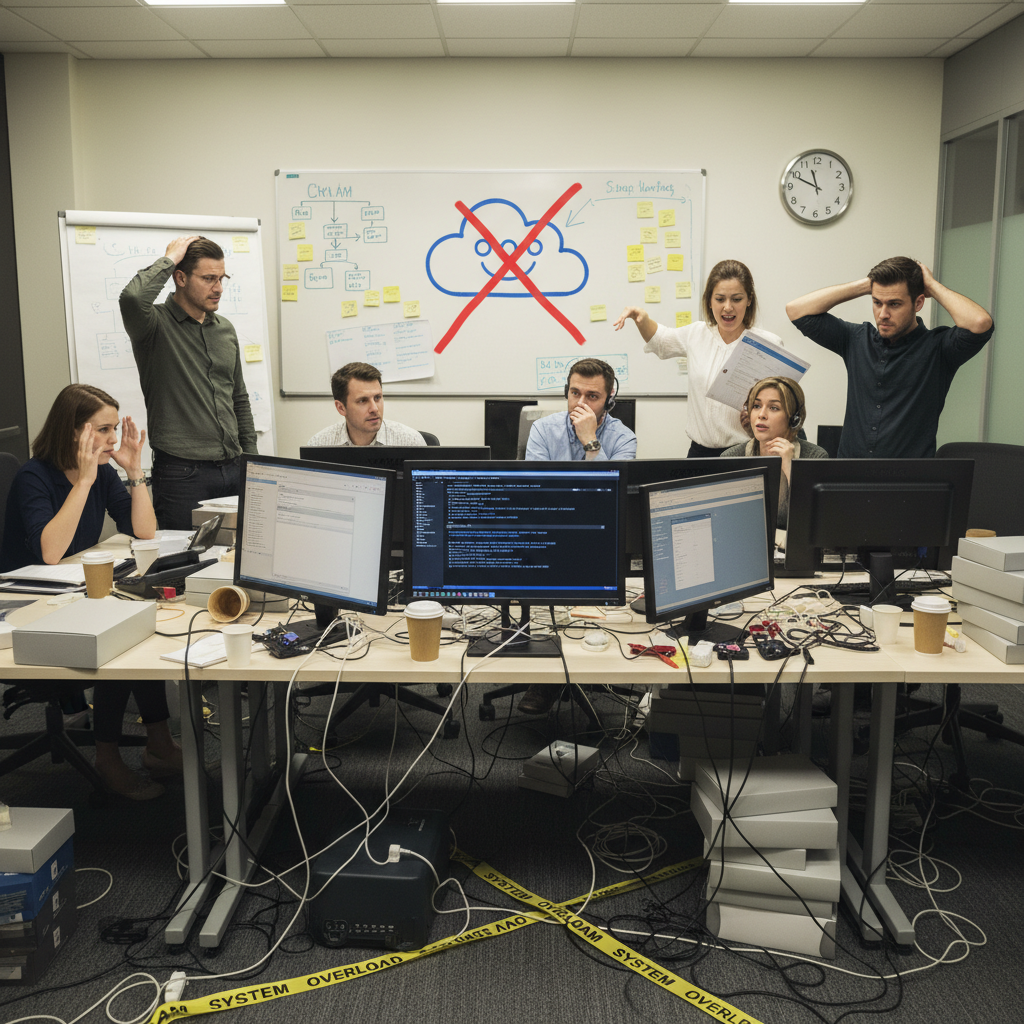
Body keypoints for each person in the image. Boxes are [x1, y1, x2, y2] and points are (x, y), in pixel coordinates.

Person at [0, 384, 180, 800]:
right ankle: (108, 759)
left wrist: (134, 472)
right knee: (115, 644)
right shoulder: (34, 477)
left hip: (67, 595)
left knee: (139, 627)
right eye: (103, 430)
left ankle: (159, 745)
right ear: (73, 431)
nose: (113, 439)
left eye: (114, 428)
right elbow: (51, 552)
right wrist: (83, 482)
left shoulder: (103, 472)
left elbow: (144, 531)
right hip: (24, 605)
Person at [785, 257, 994, 458]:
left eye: (894, 304)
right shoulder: (856, 339)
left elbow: (980, 322)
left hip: (910, 477)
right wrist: (866, 285)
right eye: (877, 302)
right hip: (849, 473)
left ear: (918, 303)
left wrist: (932, 285)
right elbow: (796, 310)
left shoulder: (938, 348)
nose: (883, 314)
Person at [119, 235, 257, 531]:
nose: (218, 288)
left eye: (221, 278)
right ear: (180, 278)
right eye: (208, 279)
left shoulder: (225, 330)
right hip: (182, 475)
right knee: (183, 556)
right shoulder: (153, 325)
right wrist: (170, 258)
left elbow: (238, 399)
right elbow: (132, 298)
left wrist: (252, 462)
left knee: (237, 555)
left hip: (234, 467)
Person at [613, 260, 783, 457]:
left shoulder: (768, 344)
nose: (728, 307)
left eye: (736, 299)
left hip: (745, 452)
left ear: (749, 300)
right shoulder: (696, 333)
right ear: (709, 301)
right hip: (699, 453)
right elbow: (661, 340)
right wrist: (641, 318)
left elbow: (783, 406)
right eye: (720, 299)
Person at [721, 376, 828, 529]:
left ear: (794, 418)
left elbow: (818, 520)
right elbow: (726, 520)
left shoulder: (814, 457)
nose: (761, 414)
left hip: (793, 542)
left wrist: (792, 469)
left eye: (774, 408)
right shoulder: (731, 457)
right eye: (756, 406)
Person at [524, 358, 636, 462]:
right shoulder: (542, 430)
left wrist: (590, 441)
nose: (580, 403)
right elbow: (537, 477)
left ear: (608, 400)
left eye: (592, 396)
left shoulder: (624, 439)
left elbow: (612, 478)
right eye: (575, 393)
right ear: (567, 392)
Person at [305, 362, 427, 447]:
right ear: (341, 408)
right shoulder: (319, 445)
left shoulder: (411, 442)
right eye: (362, 401)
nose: (374, 408)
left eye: (377, 398)